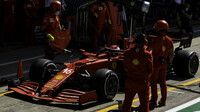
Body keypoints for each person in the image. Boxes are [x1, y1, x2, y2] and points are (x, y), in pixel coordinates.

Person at [122, 33, 153, 112]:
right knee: (144, 104)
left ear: (134, 42)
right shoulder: (147, 55)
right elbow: (150, 71)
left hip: (130, 81)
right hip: (142, 82)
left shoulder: (127, 53)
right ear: (144, 42)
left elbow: (125, 68)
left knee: (127, 102)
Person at [147, 20, 174, 107]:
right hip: (164, 63)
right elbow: (171, 53)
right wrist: (169, 62)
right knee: (163, 82)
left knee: (153, 82)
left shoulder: (154, 40)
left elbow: (149, 51)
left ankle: (154, 100)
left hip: (155, 64)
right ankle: (163, 100)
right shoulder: (169, 40)